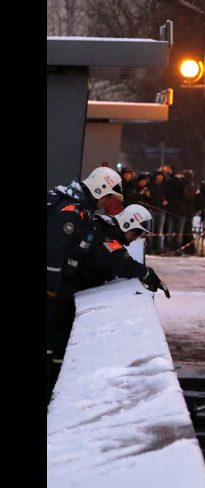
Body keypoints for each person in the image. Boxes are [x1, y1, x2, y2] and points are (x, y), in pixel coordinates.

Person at [47, 166, 125, 402]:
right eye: (109, 197)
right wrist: (51, 290)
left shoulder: (82, 210)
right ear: (100, 189)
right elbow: (53, 254)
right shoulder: (71, 213)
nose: (107, 203)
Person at [68, 204, 169, 297]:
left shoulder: (106, 227)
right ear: (126, 224)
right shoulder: (107, 240)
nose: (136, 238)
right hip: (69, 290)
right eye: (136, 232)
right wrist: (152, 278)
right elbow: (127, 266)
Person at [146, 170, 169, 253]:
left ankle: (158, 248)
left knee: (159, 231)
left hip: (161, 210)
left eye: (161, 175)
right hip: (152, 210)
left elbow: (169, 196)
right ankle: (150, 248)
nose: (160, 177)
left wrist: (167, 201)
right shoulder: (150, 185)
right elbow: (147, 198)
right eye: (158, 175)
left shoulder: (165, 186)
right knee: (151, 230)